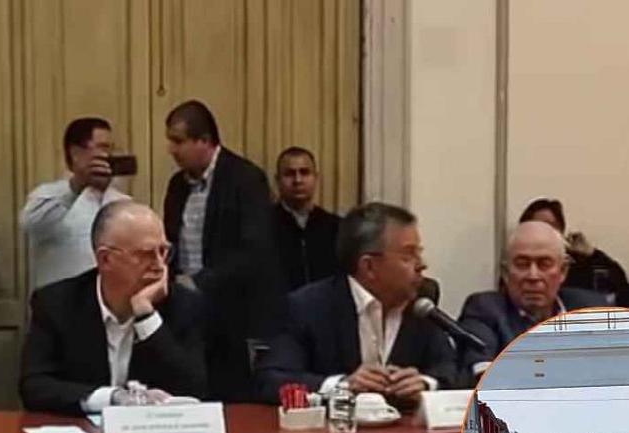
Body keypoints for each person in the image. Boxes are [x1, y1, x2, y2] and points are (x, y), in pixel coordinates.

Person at [256, 202, 457, 410]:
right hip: (334, 428)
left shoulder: (421, 303)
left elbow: (449, 366)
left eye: (419, 253)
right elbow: (273, 379)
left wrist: (426, 383)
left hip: (405, 427)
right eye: (408, 255)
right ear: (368, 266)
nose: (421, 264)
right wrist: (343, 386)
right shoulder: (309, 307)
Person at [19, 201, 206, 415]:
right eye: (145, 254)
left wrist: (146, 316)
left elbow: (195, 389)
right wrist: (112, 398)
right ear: (105, 259)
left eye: (163, 251)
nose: (159, 265)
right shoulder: (57, 303)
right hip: (82, 432)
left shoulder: (183, 304)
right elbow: (34, 386)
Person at [162, 99, 283, 401]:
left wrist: (200, 281)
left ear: (204, 141)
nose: (171, 150)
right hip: (184, 306)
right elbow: (171, 237)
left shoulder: (245, 178)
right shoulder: (177, 185)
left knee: (230, 394)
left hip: (232, 310)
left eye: (178, 141)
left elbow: (255, 249)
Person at [458, 221, 607, 381]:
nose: (533, 276)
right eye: (522, 265)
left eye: (544, 264)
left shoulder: (591, 308)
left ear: (563, 271)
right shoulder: (484, 310)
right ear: (506, 273)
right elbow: (484, 374)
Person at [21, 117, 130, 290]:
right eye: (103, 147)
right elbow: (31, 225)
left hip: (110, 300)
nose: (110, 155)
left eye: (113, 149)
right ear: (76, 154)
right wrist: (78, 184)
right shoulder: (47, 196)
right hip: (59, 300)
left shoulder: (123, 203)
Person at [520, 197, 629, 306]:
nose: (545, 232)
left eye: (551, 226)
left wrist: (593, 255)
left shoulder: (580, 265)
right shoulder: (518, 266)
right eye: (539, 226)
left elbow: (622, 293)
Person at [272, 146, 341, 291]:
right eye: (289, 174)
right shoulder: (262, 225)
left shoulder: (337, 227)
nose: (298, 180)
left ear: (316, 178)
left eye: (304, 172)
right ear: (277, 180)